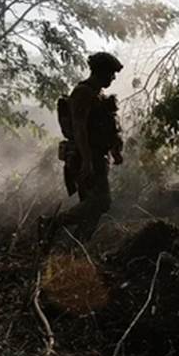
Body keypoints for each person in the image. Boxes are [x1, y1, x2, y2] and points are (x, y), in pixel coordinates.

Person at [45, 52, 124, 244]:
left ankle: (78, 249)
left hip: (97, 156)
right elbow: (79, 127)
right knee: (101, 202)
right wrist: (86, 159)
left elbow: (107, 128)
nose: (113, 78)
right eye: (110, 73)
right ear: (100, 72)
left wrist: (115, 152)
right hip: (84, 157)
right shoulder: (83, 92)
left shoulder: (99, 95)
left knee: (92, 208)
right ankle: (53, 224)